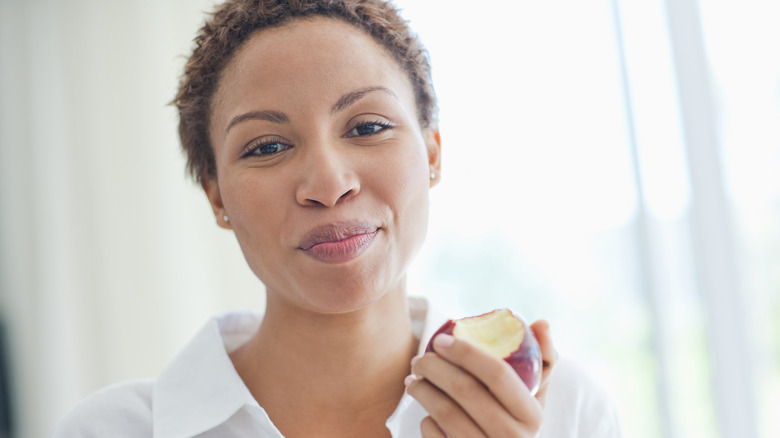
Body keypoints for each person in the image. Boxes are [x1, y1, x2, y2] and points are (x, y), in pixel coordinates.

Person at [53, 0, 622, 436]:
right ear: (218, 199)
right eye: (266, 147)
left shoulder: (564, 411)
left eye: (368, 127)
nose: (328, 185)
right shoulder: (109, 430)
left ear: (432, 155)